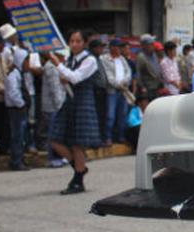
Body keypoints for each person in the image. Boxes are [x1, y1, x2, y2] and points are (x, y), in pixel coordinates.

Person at [47, 30, 101, 195]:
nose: (74, 44)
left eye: (78, 41)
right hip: (69, 101)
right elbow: (68, 78)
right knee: (55, 139)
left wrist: (58, 65)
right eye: (71, 41)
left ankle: (78, 180)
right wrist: (64, 75)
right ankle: (79, 168)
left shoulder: (90, 60)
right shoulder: (70, 59)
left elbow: (76, 77)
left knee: (78, 143)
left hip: (83, 102)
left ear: (84, 43)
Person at [100, 39, 132, 144]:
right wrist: (119, 85)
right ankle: (108, 137)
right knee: (110, 115)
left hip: (123, 91)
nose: (120, 49)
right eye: (118, 47)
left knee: (122, 114)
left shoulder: (122, 59)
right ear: (112, 47)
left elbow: (128, 72)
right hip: (112, 91)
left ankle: (121, 136)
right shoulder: (104, 59)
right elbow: (109, 77)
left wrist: (125, 82)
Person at [40, 55, 69, 167]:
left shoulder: (59, 66)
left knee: (59, 133)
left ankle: (62, 156)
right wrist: (60, 105)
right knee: (53, 133)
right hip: (53, 106)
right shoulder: (51, 67)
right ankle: (53, 158)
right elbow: (54, 88)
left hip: (60, 102)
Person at [4, 53, 30, 172]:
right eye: (26, 61)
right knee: (17, 135)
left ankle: (20, 158)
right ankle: (16, 161)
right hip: (16, 109)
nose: (28, 65)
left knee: (22, 135)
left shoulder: (20, 74)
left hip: (20, 109)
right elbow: (13, 93)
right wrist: (22, 104)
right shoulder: (13, 75)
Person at [134, 35, 163, 102]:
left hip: (156, 87)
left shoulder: (154, 55)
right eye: (151, 44)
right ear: (144, 46)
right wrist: (142, 87)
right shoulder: (141, 57)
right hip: (147, 89)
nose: (153, 46)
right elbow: (138, 74)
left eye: (153, 44)